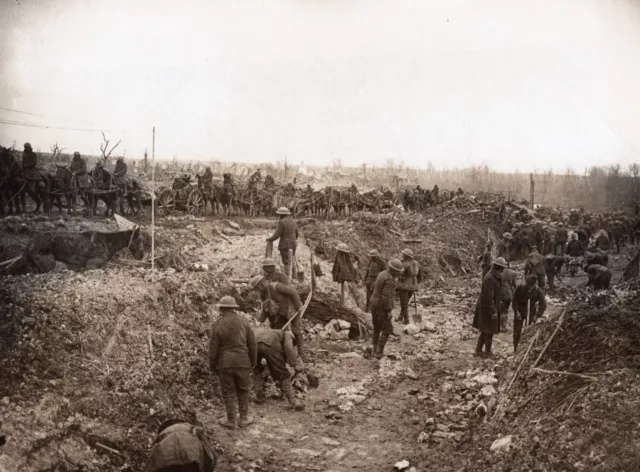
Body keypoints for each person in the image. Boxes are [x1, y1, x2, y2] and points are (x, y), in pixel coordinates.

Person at [208, 296, 257, 430]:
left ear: (222, 309)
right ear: (234, 308)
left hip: (225, 363)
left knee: (228, 392)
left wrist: (213, 365)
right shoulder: (244, 322)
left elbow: (213, 349)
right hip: (243, 361)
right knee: (243, 390)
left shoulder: (217, 324)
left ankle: (231, 421)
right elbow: (252, 344)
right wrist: (253, 362)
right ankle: (244, 419)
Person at [249, 275, 305, 358]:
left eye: (257, 288)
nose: (257, 291)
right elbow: (266, 309)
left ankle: (301, 353)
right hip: (280, 314)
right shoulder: (263, 295)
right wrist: (259, 321)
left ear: (261, 284)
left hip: (292, 309)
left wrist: (298, 306)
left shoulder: (276, 286)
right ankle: (284, 354)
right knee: (279, 333)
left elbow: (292, 292)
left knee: (295, 330)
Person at [253, 328, 304, 411]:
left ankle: (259, 397)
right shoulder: (288, 334)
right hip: (269, 343)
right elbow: (288, 348)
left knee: (257, 370)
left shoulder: (272, 331)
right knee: (283, 373)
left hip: (254, 343)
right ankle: (293, 402)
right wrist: (295, 364)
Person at [146, 419, 217, 472]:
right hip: (192, 460)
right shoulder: (192, 428)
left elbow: (151, 462)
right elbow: (212, 455)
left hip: (167, 463)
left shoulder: (161, 435)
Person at [473, 257, 507, 358]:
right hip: (486, 308)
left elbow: (495, 293)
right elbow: (488, 297)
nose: (503, 270)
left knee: (486, 330)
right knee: (488, 330)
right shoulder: (489, 278)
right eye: (502, 268)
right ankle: (487, 351)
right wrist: (493, 311)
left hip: (490, 306)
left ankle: (478, 350)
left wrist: (498, 301)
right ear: (498, 268)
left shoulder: (495, 277)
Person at [369, 259, 403, 359]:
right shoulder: (390, 280)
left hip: (374, 304)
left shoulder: (382, 273)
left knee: (376, 328)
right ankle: (379, 353)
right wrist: (388, 311)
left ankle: (374, 349)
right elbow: (386, 297)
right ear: (394, 270)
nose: (398, 273)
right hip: (381, 307)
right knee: (388, 329)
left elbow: (373, 286)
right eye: (397, 271)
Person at [512, 275, 547, 351]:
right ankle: (516, 348)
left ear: (534, 284)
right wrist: (516, 311)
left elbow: (543, 305)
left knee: (528, 331)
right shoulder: (520, 288)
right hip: (520, 311)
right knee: (517, 331)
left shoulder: (538, 291)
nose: (529, 287)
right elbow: (515, 301)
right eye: (527, 285)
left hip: (531, 311)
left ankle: (525, 349)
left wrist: (537, 315)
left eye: (530, 286)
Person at [266, 207, 299, 278]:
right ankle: (294, 276)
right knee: (291, 259)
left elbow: (277, 235)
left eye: (279, 215)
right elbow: (297, 233)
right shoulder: (293, 221)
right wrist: (293, 240)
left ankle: (287, 277)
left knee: (286, 262)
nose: (278, 216)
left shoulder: (282, 222)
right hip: (293, 244)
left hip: (285, 245)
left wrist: (270, 239)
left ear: (281, 215)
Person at [395, 248, 421, 324]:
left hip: (404, 285)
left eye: (403, 254)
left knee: (403, 303)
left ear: (406, 256)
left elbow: (400, 273)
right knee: (405, 302)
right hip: (413, 285)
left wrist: (398, 278)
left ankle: (406, 320)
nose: (402, 255)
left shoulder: (405, 264)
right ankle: (400, 317)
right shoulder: (417, 263)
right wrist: (416, 283)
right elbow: (420, 276)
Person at [500, 267, 517, 332]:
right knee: (504, 310)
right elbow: (514, 285)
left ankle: (500, 326)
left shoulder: (498, 273)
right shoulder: (512, 273)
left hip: (500, 293)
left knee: (500, 309)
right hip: (508, 294)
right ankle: (502, 326)